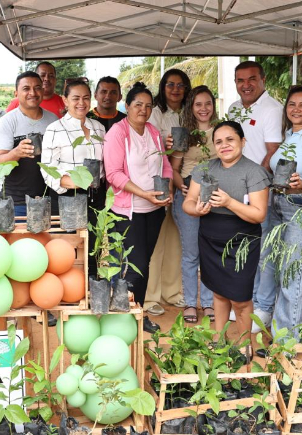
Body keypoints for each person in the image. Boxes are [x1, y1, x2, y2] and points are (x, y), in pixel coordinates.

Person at [182, 120, 270, 343]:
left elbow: (259, 214)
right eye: (218, 142)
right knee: (218, 293)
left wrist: (229, 202)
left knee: (240, 299)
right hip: (210, 236)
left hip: (243, 240)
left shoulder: (254, 171)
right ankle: (218, 341)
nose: (225, 145)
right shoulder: (203, 169)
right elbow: (188, 203)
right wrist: (198, 209)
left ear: (242, 140)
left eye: (230, 139)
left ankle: (244, 346)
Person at [259, 85, 302, 336]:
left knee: (294, 276)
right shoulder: (290, 134)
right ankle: (285, 334)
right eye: (292, 104)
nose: (296, 109)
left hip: (301, 209)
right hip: (278, 205)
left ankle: (287, 343)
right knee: (281, 271)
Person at [104, 82, 173, 334]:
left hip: (154, 211)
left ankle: (139, 315)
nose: (143, 110)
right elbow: (113, 174)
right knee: (130, 265)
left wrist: (168, 191)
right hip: (126, 211)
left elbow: (165, 165)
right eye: (137, 105)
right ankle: (122, 318)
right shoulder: (117, 133)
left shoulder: (154, 132)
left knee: (144, 265)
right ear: (127, 106)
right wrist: (144, 193)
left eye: (147, 106)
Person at [227, 61, 283, 331]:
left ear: (263, 79)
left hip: (260, 193)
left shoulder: (273, 110)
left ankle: (262, 309)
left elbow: (273, 151)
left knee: (264, 253)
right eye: (240, 80)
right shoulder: (234, 108)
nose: (245, 85)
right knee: (242, 248)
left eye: (251, 79)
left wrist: (254, 186)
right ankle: (243, 301)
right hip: (236, 194)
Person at [41, 78, 106, 276]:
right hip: (67, 199)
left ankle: (89, 296)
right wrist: (75, 183)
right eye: (75, 98)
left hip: (96, 197)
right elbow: (47, 169)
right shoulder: (55, 129)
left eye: (86, 98)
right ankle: (67, 298)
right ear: (65, 100)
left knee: (93, 249)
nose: (81, 103)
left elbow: (104, 165)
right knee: (66, 252)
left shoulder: (99, 128)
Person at [145, 69, 192, 317]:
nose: (175, 89)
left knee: (176, 242)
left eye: (181, 85)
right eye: (170, 85)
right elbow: (148, 148)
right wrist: (165, 145)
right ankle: (150, 295)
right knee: (156, 242)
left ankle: (172, 292)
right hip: (161, 182)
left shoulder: (189, 111)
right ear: (163, 87)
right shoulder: (154, 113)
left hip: (186, 183)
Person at [168, 86, 218, 323]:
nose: (203, 109)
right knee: (191, 252)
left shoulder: (221, 131)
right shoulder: (184, 134)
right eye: (198, 104)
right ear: (192, 107)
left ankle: (208, 303)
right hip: (188, 192)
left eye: (207, 103)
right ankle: (190, 303)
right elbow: (173, 169)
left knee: (211, 251)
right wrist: (181, 186)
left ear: (213, 105)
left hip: (216, 194)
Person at [0, 71, 59, 217]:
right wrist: (16, 153)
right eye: (26, 89)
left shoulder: (53, 119)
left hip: (49, 197)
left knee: (50, 239)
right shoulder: (7, 121)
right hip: (18, 201)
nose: (32, 93)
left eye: (37, 88)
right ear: (16, 93)